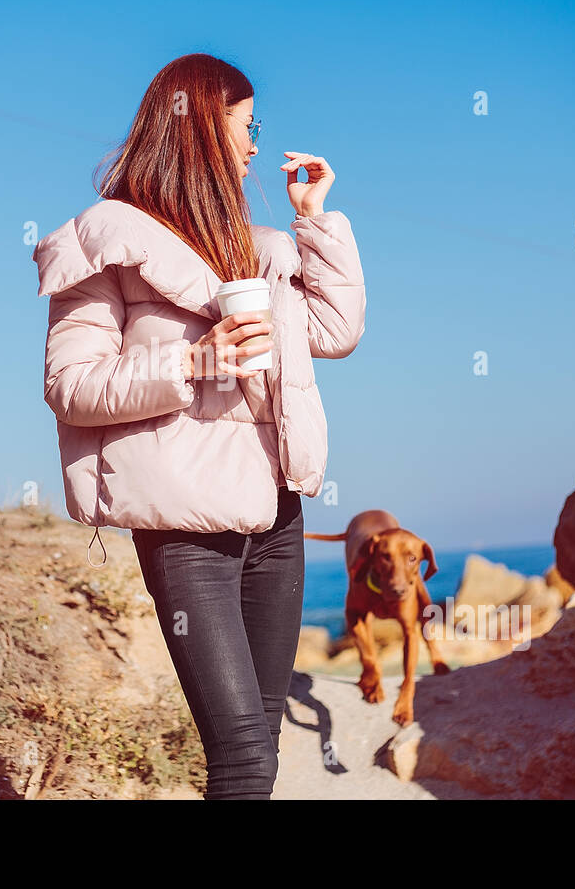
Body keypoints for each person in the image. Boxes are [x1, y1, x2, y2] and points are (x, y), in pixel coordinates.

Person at [32, 52, 365, 799]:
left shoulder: (258, 252)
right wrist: (194, 361)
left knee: (264, 743)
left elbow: (338, 329)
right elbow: (69, 386)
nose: (254, 147)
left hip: (277, 516)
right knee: (241, 756)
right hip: (186, 527)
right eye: (246, 128)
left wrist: (314, 224)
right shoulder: (105, 240)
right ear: (204, 127)